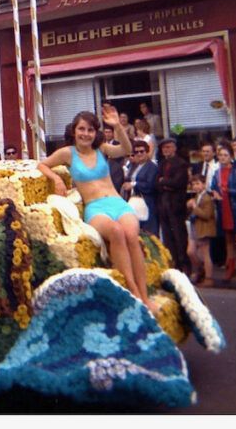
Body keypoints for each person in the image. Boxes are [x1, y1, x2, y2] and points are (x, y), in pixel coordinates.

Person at [37, 105, 159, 314]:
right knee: (116, 232)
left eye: (90, 130)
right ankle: (133, 292)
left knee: (131, 234)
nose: (86, 134)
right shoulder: (67, 153)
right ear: (74, 131)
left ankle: (145, 296)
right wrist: (56, 178)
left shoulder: (101, 149)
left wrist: (117, 126)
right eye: (82, 129)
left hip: (117, 202)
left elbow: (126, 150)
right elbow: (42, 165)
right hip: (95, 208)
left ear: (96, 133)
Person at [210, 141, 236, 282]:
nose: (222, 157)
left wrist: (229, 190)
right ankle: (231, 267)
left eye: (226, 155)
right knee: (229, 240)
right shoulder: (217, 172)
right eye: (220, 155)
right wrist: (214, 192)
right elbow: (213, 187)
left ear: (231, 157)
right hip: (223, 208)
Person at [156, 137, 191, 273]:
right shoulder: (162, 164)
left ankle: (184, 266)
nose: (166, 150)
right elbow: (156, 183)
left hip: (176, 205)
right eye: (164, 148)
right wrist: (165, 183)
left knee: (179, 237)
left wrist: (164, 181)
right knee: (168, 237)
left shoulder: (181, 164)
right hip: (164, 204)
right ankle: (174, 264)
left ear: (175, 148)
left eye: (169, 147)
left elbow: (178, 183)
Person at [122, 139, 159, 236]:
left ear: (147, 152)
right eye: (136, 152)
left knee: (149, 232)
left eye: (142, 151)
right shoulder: (134, 166)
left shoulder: (152, 167)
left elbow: (150, 185)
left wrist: (134, 184)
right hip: (134, 201)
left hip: (147, 202)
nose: (139, 154)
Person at [186, 174, 216, 286]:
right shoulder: (197, 197)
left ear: (204, 184)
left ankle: (209, 278)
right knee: (191, 251)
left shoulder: (207, 198)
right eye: (193, 184)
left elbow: (206, 215)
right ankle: (200, 270)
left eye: (198, 183)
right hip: (195, 227)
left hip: (204, 228)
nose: (195, 186)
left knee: (205, 253)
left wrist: (194, 207)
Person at [102, 125, 126, 194]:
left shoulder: (118, 144)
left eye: (109, 132)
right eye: (106, 132)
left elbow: (121, 157)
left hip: (115, 171)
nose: (107, 134)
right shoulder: (101, 145)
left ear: (113, 133)